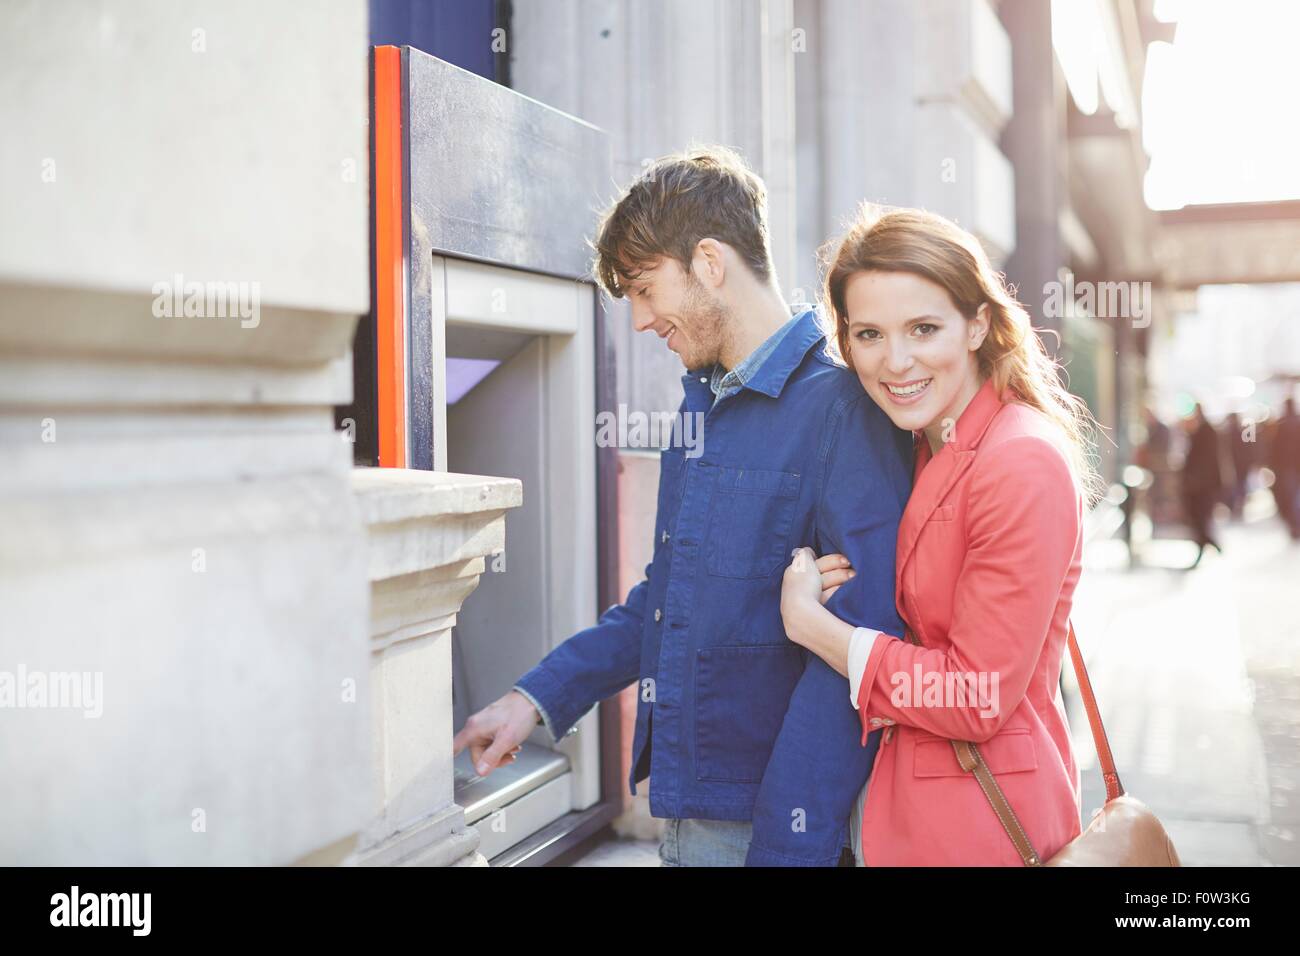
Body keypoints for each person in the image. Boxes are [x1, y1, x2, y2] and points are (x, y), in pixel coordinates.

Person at [452, 147, 913, 866]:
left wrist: (787, 849)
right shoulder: (702, 405)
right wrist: (534, 700)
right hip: (683, 813)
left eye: (644, 288)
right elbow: (664, 604)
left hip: (766, 831)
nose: (639, 320)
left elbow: (854, 656)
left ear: (707, 261)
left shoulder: (842, 410)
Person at [778, 205, 1103, 866]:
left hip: (981, 828)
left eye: (923, 328)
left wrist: (813, 626)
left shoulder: (1018, 458)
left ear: (978, 322)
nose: (895, 362)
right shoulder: (929, 443)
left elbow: (975, 695)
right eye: (868, 334)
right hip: (922, 818)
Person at [1181, 404, 1224, 566]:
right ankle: (1209, 544)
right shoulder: (1200, 431)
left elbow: (1207, 461)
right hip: (1201, 485)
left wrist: (1195, 479)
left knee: (1200, 518)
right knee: (1199, 518)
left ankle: (1209, 544)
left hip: (1203, 485)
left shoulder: (1206, 432)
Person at [1269, 396, 1300, 539]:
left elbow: (1275, 448)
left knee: (1292, 496)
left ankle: (1295, 524)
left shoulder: (1282, 424)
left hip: (1287, 467)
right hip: (1292, 466)